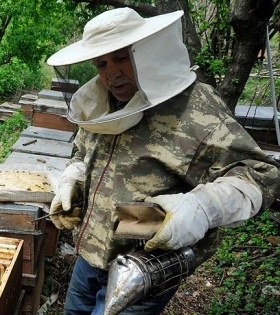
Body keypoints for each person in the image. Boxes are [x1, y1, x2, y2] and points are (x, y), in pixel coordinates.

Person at [46, 7, 279, 315]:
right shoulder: (99, 104)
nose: (111, 73)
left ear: (146, 51)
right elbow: (82, 151)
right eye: (101, 63)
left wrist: (201, 207)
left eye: (121, 57)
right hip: (90, 252)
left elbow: (261, 175)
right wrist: (72, 179)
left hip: (145, 265)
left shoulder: (195, 105)